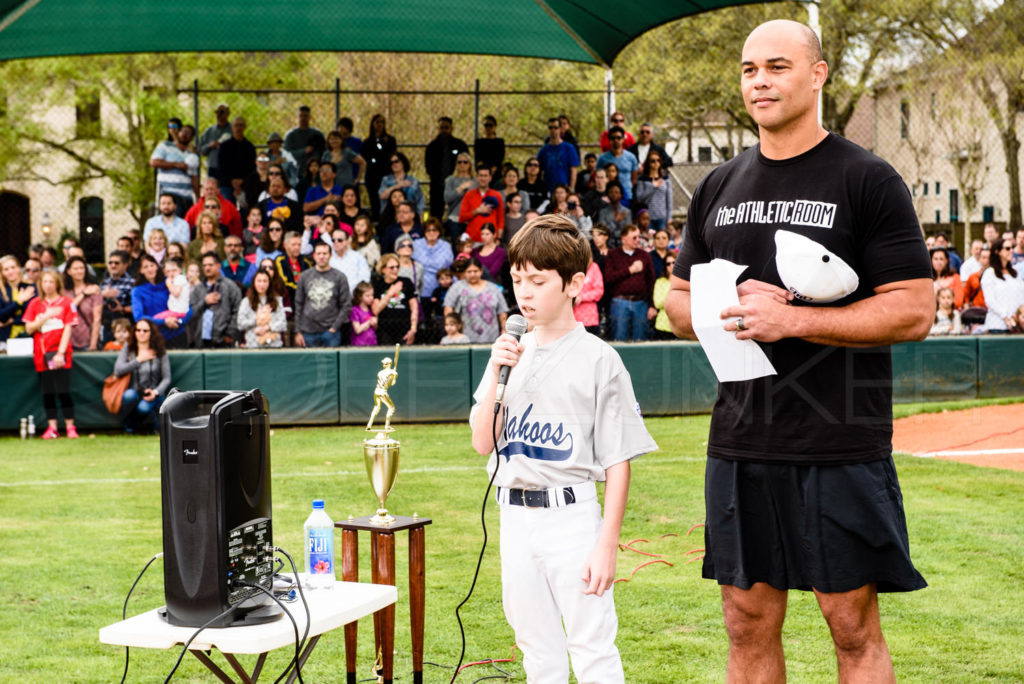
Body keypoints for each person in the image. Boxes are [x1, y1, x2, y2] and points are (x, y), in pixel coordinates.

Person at [664, 21, 932, 682]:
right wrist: (719, 314)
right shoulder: (718, 185)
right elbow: (672, 301)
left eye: (778, 66)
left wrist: (796, 321)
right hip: (740, 438)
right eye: (751, 69)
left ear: (817, 75)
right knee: (744, 620)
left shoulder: (867, 179)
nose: (760, 81)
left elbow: (914, 307)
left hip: (839, 438)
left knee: (851, 626)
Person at [469, 214, 657, 683]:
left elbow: (618, 461)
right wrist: (495, 371)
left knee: (591, 646)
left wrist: (607, 542)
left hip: (571, 517)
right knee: (537, 650)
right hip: (514, 515)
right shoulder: (510, 350)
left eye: (537, 281)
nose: (524, 293)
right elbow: (480, 442)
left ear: (574, 283)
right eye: (517, 280)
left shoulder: (599, 358)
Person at [23, 270, 78, 439]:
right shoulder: (35, 304)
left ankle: (70, 426)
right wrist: (45, 316)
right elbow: (29, 328)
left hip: (60, 353)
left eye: (51, 282)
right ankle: (52, 427)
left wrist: (61, 353)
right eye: (44, 282)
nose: (47, 285)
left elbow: (68, 328)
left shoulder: (67, 303)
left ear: (57, 284)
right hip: (42, 354)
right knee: (48, 392)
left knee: (63, 390)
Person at [114, 319, 171, 434]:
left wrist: (155, 392)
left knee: (143, 408)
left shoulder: (159, 350)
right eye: (138, 330)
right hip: (134, 391)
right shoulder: (128, 348)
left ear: (151, 333)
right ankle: (130, 428)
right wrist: (139, 360)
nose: (141, 333)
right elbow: (118, 370)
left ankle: (155, 426)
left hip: (153, 393)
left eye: (145, 330)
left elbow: (167, 378)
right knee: (129, 395)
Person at [293, 242, 351, 348]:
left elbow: (346, 305)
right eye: (319, 253)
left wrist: (334, 328)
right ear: (314, 256)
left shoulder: (340, 277)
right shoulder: (304, 276)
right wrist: (298, 331)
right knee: (310, 363)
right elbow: (298, 304)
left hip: (330, 332)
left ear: (330, 255)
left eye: (325, 253)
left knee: (331, 364)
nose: (322, 257)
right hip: (308, 331)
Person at [603, 224, 656, 341]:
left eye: (638, 237)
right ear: (623, 239)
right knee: (619, 338)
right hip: (620, 302)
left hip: (641, 303)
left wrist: (652, 305)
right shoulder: (612, 255)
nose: (637, 240)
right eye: (634, 237)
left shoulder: (645, 255)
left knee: (641, 340)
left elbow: (651, 282)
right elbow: (609, 278)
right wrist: (630, 270)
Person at [443, 256, 508, 343]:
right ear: (464, 272)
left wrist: (504, 330)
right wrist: (452, 328)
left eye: (475, 271)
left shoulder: (493, 288)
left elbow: (502, 311)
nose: (472, 274)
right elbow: (448, 308)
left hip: (491, 336)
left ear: (481, 271)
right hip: (464, 338)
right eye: (469, 272)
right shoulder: (457, 287)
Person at [149, 123, 199, 217]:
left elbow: (194, 177)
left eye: (188, 133)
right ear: (178, 132)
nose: (184, 134)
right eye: (183, 131)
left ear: (191, 138)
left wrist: (199, 198)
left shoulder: (191, 155)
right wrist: (176, 164)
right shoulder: (165, 146)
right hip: (170, 194)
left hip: (187, 196)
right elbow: (154, 162)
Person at [425, 116, 470, 218]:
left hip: (457, 183)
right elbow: (428, 166)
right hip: (438, 183)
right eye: (442, 128)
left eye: (446, 127)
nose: (444, 130)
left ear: (451, 128)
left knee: (457, 209)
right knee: (436, 210)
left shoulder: (460, 145)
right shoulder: (432, 146)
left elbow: (467, 161)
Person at [372, 253, 418, 346]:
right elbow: (376, 310)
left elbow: (414, 307)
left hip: (404, 327)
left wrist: (413, 329)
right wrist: (390, 293)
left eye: (397, 267)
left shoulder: (406, 282)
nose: (395, 270)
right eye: (391, 267)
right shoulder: (378, 285)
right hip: (385, 329)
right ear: (383, 269)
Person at [981, 239, 1024, 333]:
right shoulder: (989, 273)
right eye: (1007, 248)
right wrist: (1005, 315)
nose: (1011, 250)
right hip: (997, 325)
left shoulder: (1016, 273)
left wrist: (1017, 314)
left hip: (1015, 325)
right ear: (997, 252)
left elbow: (1021, 297)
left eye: (1012, 247)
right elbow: (990, 301)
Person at [237, 269, 287, 348]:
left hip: (274, 345)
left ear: (269, 283)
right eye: (259, 281)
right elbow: (240, 324)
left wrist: (268, 327)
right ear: (254, 282)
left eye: (265, 281)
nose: (262, 284)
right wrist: (257, 319)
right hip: (253, 346)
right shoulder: (246, 302)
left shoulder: (277, 300)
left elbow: (283, 324)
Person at [363, 114, 399, 222]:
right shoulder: (367, 142)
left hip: (386, 174)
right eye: (377, 122)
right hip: (372, 175)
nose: (379, 125)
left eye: (382, 122)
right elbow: (368, 157)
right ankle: (376, 221)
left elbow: (390, 155)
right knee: (374, 200)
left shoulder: (390, 140)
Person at [63, 256, 102, 351]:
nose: (79, 271)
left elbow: (97, 320)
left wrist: (93, 345)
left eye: (82, 268)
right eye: (76, 269)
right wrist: (83, 294)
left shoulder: (94, 290)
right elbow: (66, 310)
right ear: (69, 271)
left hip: (87, 340)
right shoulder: (63, 291)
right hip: (66, 340)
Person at [412, 218, 454, 308]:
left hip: (441, 285)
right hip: (422, 284)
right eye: (428, 230)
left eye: (435, 230)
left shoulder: (446, 246)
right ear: (424, 232)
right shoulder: (416, 244)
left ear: (439, 232)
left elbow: (450, 266)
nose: (431, 232)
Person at [459, 164, 505, 243]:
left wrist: (499, 238)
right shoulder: (469, 195)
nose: (483, 178)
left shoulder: (497, 195)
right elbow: (461, 218)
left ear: (490, 178)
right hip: (472, 240)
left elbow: (501, 219)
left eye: (485, 176)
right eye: (481, 176)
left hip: (491, 240)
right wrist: (477, 211)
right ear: (477, 177)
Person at [218, 116, 257, 204]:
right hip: (227, 184)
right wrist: (232, 181)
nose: (238, 128)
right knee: (227, 208)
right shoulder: (224, 146)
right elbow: (221, 167)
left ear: (244, 127)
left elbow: (252, 168)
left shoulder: (249, 147)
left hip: (245, 183)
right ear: (232, 127)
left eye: (241, 125)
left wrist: (242, 181)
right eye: (236, 125)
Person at [537, 117, 580, 194]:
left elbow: (574, 170)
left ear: (560, 129)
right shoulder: (543, 150)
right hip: (548, 188)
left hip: (565, 187)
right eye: (550, 128)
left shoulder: (569, 148)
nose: (553, 130)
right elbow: (540, 171)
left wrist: (572, 188)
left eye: (555, 128)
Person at [0, 254, 36, 346]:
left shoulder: (30, 288)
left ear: (19, 268)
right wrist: (19, 302)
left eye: (13, 267)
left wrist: (12, 320)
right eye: (6, 269)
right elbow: (1, 316)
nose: (10, 271)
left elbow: (33, 315)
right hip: (4, 339)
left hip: (27, 337)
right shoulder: (1, 291)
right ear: (2, 272)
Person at [597, 128, 640, 204]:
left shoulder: (631, 157)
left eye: (619, 138)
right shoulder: (602, 158)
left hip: (627, 196)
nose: (616, 140)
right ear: (609, 140)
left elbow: (634, 179)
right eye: (613, 138)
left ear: (623, 139)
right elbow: (598, 176)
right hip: (608, 197)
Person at [634, 150, 673, 231]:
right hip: (647, 217)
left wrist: (669, 218)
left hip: (662, 217)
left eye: (658, 160)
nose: (656, 163)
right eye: (653, 161)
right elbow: (640, 198)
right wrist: (653, 187)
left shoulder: (665, 179)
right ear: (648, 162)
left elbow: (669, 201)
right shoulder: (642, 179)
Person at [284, 105, 326, 176]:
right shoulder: (290, 134)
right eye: (301, 116)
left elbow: (323, 152)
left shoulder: (318, 134)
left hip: (315, 171)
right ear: (297, 117)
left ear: (310, 118)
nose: (303, 118)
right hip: (295, 170)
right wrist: (304, 151)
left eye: (305, 116)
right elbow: (286, 154)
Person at [443, 152, 476, 241]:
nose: (462, 164)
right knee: (456, 245)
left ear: (470, 164)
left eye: (465, 162)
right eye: (459, 162)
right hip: (455, 218)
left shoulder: (475, 181)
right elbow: (447, 198)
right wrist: (461, 188)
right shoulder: (450, 180)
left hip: (471, 218)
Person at [198, 103, 232, 184]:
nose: (219, 114)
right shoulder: (209, 131)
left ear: (228, 113)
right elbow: (200, 150)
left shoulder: (233, 130)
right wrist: (210, 146)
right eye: (217, 112)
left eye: (222, 112)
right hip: (213, 168)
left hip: (229, 168)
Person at [573, 252, 605, 336]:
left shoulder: (594, 267)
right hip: (572, 317)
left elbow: (599, 291)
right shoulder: (572, 267)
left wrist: (582, 297)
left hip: (589, 317)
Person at [274, 231, 313, 298]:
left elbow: (311, 281)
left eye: (299, 244)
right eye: (294, 245)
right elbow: (284, 283)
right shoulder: (280, 260)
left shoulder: (306, 262)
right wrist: (301, 290)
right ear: (285, 245)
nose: (297, 247)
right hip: (287, 298)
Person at [650, 254, 676, 340]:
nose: (671, 266)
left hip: (680, 325)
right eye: (668, 264)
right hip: (663, 325)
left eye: (674, 262)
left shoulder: (685, 281)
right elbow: (658, 303)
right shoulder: (660, 282)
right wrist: (672, 290)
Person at [475, 115, 506, 180]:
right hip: (483, 170)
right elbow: (478, 158)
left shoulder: (499, 142)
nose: (488, 128)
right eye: (486, 125)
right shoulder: (479, 142)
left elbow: (500, 158)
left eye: (490, 125)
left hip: (496, 171)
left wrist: (493, 168)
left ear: (495, 127)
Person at [349, 282, 378, 347]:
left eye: (372, 295)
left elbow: (375, 328)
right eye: (368, 296)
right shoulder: (355, 310)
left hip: (372, 343)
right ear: (360, 297)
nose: (371, 298)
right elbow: (357, 330)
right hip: (359, 344)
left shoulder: (372, 309)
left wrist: (375, 323)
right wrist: (369, 322)